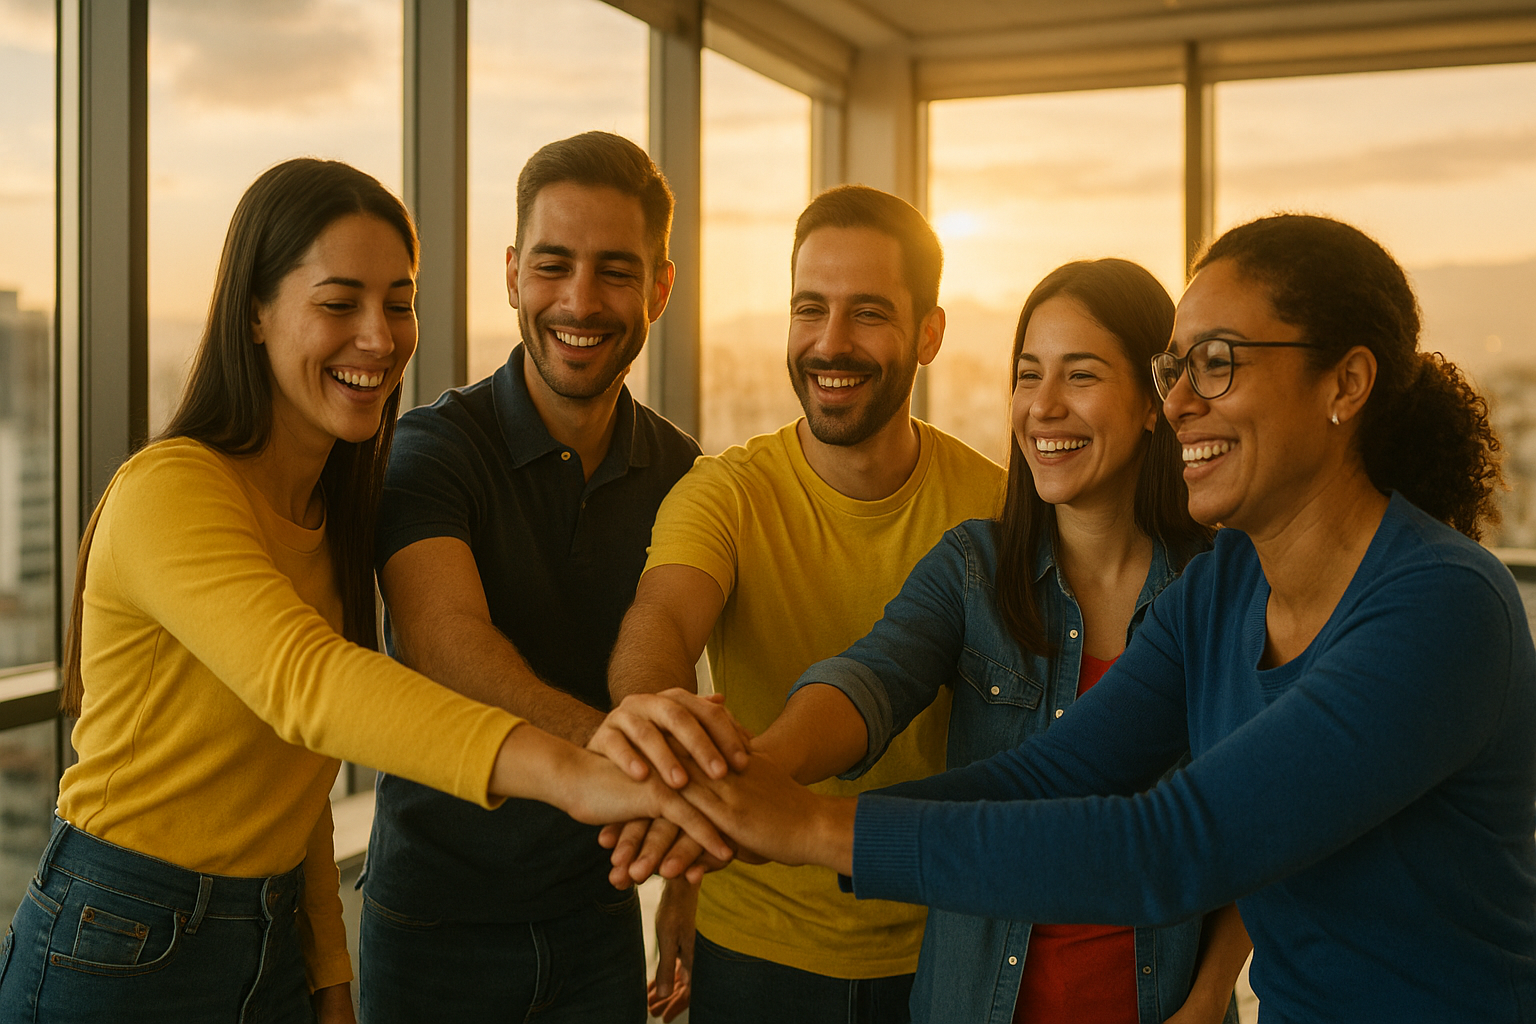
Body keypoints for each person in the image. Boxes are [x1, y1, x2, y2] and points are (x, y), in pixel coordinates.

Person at [646, 213, 1535, 1023]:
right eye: (1173, 368)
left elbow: (1173, 845)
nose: (1182, 400)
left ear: (1346, 381)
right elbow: (1051, 775)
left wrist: (804, 828)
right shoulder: (1226, 586)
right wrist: (762, 808)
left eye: (1217, 362)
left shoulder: (1444, 607)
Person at [0, 157, 725, 1024]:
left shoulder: (331, 509)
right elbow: (311, 686)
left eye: (400, 302)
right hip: (120, 930)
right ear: (257, 313)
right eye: (339, 304)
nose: (379, 339)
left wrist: (328, 980)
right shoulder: (173, 489)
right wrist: (585, 770)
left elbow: (295, 783)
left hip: (271, 941)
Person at [742, 258, 1248, 1024]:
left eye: (1079, 377)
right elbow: (871, 679)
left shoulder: (1218, 590)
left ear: (1154, 401)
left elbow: (1252, 819)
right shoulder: (973, 567)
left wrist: (1209, 996)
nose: (1042, 408)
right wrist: (762, 767)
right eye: (1026, 375)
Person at [590, 185, 1005, 1024]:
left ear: (929, 334)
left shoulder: (996, 509)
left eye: (869, 314)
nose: (831, 342)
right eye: (808, 307)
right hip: (755, 948)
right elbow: (660, 623)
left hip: (946, 947)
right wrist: (657, 730)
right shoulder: (726, 492)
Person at [354, 131, 703, 1024]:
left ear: (662, 287)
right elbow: (445, 642)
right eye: (553, 265)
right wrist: (616, 757)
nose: (580, 301)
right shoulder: (432, 449)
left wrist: (692, 887)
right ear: (512, 274)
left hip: (598, 915)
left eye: (616, 271)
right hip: (437, 923)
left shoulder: (686, 474)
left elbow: (679, 676)